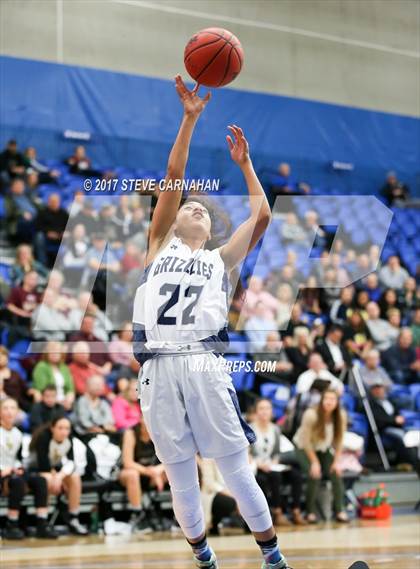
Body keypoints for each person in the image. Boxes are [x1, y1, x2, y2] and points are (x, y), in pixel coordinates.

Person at [133, 77, 291, 569]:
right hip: (157, 368)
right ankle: (203, 558)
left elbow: (262, 214)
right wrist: (190, 118)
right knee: (182, 477)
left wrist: (245, 165)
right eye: (188, 206)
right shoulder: (159, 244)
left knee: (234, 469)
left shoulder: (222, 259)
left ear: (210, 227)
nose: (194, 207)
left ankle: (273, 557)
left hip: (203, 362)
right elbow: (175, 172)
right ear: (174, 219)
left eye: (203, 208)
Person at [0, 398, 58, 539]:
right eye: (6, 408)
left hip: (13, 472)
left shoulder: (18, 433)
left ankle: (41, 523)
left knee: (40, 480)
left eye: (13, 408)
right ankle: (12, 524)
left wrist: (18, 467)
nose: (9, 411)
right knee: (17, 483)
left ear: (17, 412)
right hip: (2, 473)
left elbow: (19, 458)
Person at [294, 389, 348, 524]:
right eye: (326, 399)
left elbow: (340, 440)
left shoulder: (340, 415)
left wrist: (337, 461)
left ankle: (339, 510)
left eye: (333, 399)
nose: (329, 402)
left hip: (323, 449)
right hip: (303, 448)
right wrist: (314, 462)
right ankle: (310, 512)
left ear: (337, 402)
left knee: (336, 472)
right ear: (321, 400)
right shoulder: (311, 414)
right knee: (314, 474)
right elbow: (305, 442)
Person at [250, 399, 306, 527]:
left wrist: (275, 460)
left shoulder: (275, 429)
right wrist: (259, 464)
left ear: (272, 412)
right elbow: (248, 453)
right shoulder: (250, 429)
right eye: (261, 408)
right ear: (256, 411)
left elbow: (276, 452)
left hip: (271, 465)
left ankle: (296, 511)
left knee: (296, 475)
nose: (264, 412)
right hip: (256, 467)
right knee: (274, 476)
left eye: (267, 408)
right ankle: (277, 512)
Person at [29, 416, 88, 535]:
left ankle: (73, 519)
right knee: (48, 479)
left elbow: (71, 462)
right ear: (52, 428)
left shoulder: (68, 439)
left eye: (67, 428)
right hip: (33, 470)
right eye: (60, 428)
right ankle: (43, 521)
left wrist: (60, 476)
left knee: (75, 477)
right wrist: (56, 477)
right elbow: (42, 465)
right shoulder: (43, 437)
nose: (64, 432)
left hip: (54, 470)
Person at [119, 419, 167, 533]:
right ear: (140, 419)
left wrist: (157, 470)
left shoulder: (159, 431)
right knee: (132, 474)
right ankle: (138, 514)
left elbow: (169, 459)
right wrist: (150, 472)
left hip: (152, 474)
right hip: (130, 473)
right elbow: (127, 462)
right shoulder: (131, 433)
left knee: (173, 472)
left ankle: (178, 516)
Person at [368, 381, 418, 470]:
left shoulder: (389, 401)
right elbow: (377, 419)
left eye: (380, 388)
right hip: (384, 428)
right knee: (402, 437)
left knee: (414, 434)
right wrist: (394, 420)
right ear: (372, 391)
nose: (378, 391)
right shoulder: (370, 404)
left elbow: (397, 413)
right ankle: (411, 463)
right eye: (375, 389)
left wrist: (400, 418)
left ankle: (410, 461)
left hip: (398, 426)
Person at [32, 341, 75, 411]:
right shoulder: (41, 367)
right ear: (47, 353)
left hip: (65, 403)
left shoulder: (64, 367)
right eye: (52, 351)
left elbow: (71, 389)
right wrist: (59, 403)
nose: (55, 354)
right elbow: (42, 390)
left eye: (57, 351)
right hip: (49, 404)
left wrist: (69, 401)